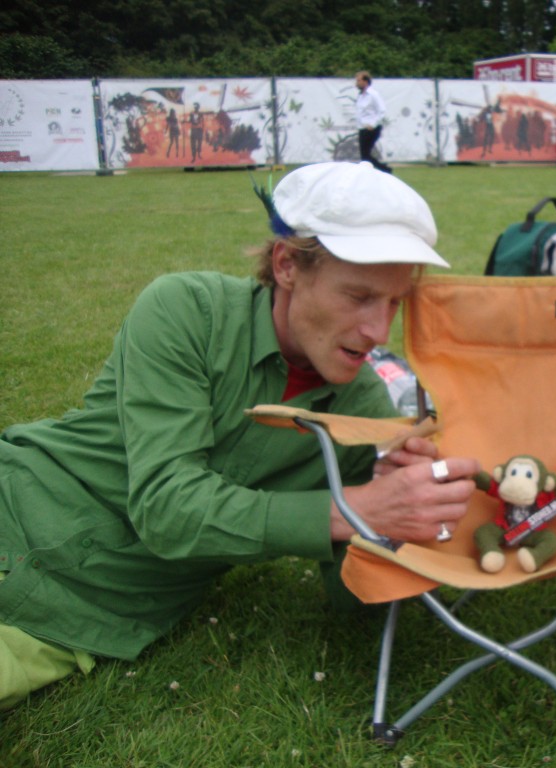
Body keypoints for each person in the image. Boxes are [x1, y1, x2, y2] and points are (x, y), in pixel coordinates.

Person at [0, 161, 480, 710]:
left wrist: (397, 523)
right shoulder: (187, 311)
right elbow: (167, 508)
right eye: (358, 296)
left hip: (71, 620)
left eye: (395, 303)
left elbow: (352, 600)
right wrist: (350, 509)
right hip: (17, 500)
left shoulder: (364, 409)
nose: (378, 332)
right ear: (286, 266)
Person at [355, 71, 392, 173]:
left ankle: (385, 170)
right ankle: (382, 170)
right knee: (364, 155)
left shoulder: (373, 94)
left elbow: (382, 110)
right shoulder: (360, 96)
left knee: (365, 155)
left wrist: (373, 124)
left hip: (371, 128)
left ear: (365, 81)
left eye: (359, 80)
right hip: (362, 128)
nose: (357, 83)